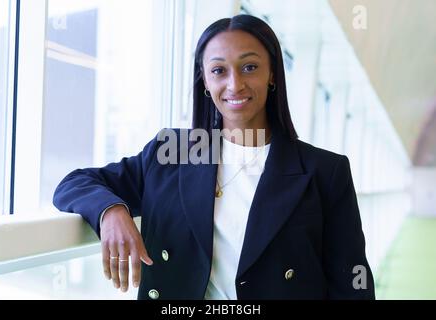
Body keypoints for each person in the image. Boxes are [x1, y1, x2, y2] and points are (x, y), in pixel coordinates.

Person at [53, 14, 375, 300]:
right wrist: (111, 211)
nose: (235, 84)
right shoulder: (172, 153)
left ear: (272, 74)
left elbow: (352, 284)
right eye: (219, 70)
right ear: (206, 81)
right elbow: (75, 183)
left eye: (250, 67)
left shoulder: (325, 171)